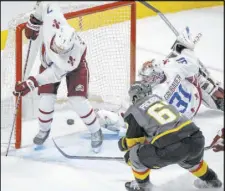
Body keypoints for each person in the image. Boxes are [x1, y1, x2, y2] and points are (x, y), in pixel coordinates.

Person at [13, 2, 103, 153]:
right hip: (48, 63)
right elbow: (46, 3)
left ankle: (96, 130)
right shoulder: (53, 20)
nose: (56, 50)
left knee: (77, 101)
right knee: (45, 100)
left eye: (60, 50)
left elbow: (52, 74)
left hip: (74, 68)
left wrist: (31, 83)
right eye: (55, 46)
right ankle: (44, 130)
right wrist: (34, 21)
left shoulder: (70, 60)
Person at [118, 81, 222, 191]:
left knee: (133, 155)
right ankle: (212, 180)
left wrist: (126, 147)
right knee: (188, 158)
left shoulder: (133, 110)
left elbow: (134, 144)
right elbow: (161, 129)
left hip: (172, 146)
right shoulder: (159, 99)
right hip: (195, 138)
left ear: (134, 96)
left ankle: (143, 187)